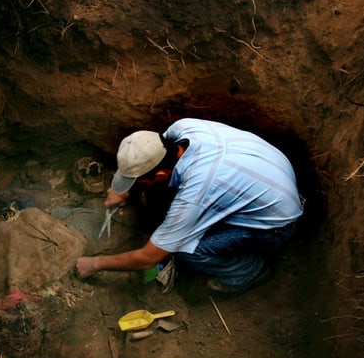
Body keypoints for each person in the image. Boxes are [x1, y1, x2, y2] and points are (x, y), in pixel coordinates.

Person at [75, 118, 304, 296]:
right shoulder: (182, 129)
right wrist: (127, 187)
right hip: (270, 177)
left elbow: (148, 258)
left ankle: (248, 273)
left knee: (184, 248)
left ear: (161, 173)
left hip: (277, 224)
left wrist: (94, 264)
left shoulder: (196, 192)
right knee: (169, 203)